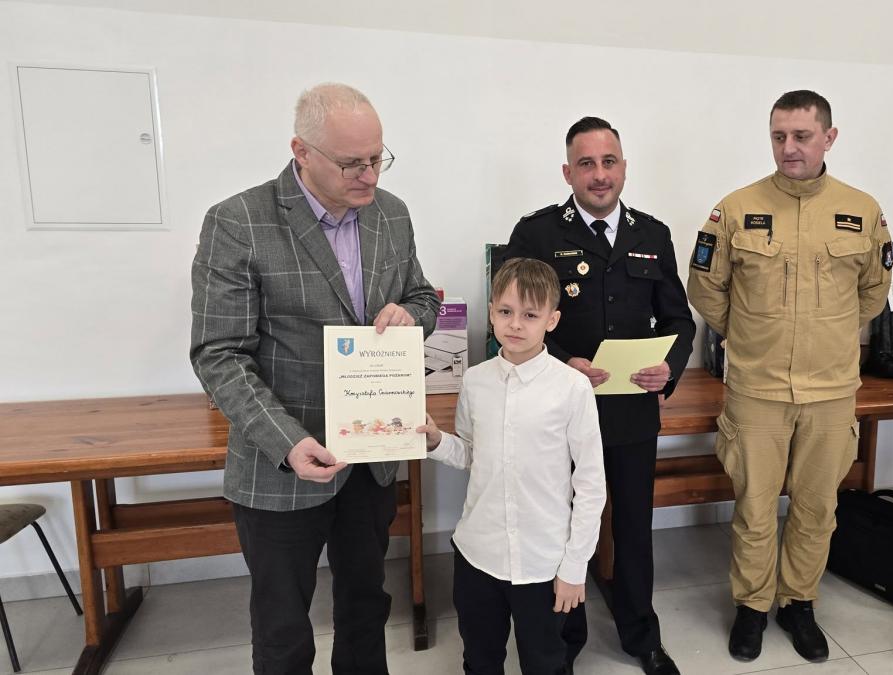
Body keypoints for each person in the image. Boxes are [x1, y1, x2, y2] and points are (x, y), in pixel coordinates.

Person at [190, 82, 440, 674]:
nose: (369, 176)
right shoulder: (239, 222)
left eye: (377, 158)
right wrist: (287, 442)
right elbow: (219, 354)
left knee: (366, 608)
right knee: (282, 627)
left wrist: (412, 315)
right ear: (301, 151)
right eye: (352, 163)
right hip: (283, 461)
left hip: (371, 456)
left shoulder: (391, 214)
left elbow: (423, 297)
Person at [687, 90, 891, 664]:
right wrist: (751, 336)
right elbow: (706, 288)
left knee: (816, 509)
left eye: (802, 136)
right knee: (754, 509)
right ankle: (752, 606)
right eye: (779, 136)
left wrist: (830, 334)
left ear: (829, 137)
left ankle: (798, 603)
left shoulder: (862, 210)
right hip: (757, 390)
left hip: (831, 391)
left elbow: (874, 292)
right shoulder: (736, 208)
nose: (789, 147)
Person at [504, 116, 696, 675]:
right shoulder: (537, 235)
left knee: (633, 528)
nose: (599, 174)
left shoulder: (651, 234)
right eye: (586, 163)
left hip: (631, 410)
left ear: (624, 167)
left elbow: (679, 320)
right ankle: (562, 643)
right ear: (568, 173)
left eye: (609, 162)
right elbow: (512, 324)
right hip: (558, 410)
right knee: (561, 528)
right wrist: (564, 361)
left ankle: (642, 636)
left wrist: (670, 368)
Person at [419, 257, 606, 675]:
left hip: (544, 561)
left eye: (530, 315)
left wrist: (575, 567)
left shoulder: (572, 387)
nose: (516, 324)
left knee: (546, 661)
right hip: (478, 554)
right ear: (491, 313)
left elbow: (591, 485)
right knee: (480, 658)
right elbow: (472, 454)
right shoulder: (475, 381)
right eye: (506, 311)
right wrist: (436, 442)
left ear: (552, 320)